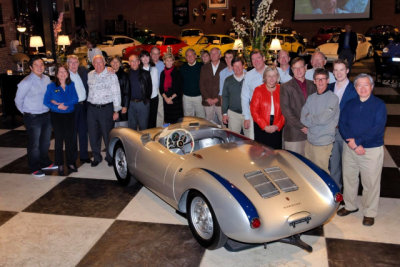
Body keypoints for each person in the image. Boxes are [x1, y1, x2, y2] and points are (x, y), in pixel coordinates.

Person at [337, 74, 386, 227]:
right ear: (355, 88)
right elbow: (342, 123)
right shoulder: (350, 104)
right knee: (349, 178)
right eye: (359, 85)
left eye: (366, 85)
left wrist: (358, 142)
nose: (363, 88)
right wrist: (350, 142)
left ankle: (369, 212)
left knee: (370, 183)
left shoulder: (379, 105)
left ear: (371, 87)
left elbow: (377, 128)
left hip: (370, 150)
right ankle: (350, 205)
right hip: (350, 148)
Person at [15, 57, 57, 178]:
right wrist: (27, 112)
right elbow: (18, 100)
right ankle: (34, 167)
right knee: (34, 144)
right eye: (36, 65)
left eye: (41, 64)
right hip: (33, 117)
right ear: (31, 68)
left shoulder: (47, 79)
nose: (40, 67)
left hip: (46, 115)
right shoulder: (26, 82)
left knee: (45, 142)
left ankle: (45, 162)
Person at [300, 68, 339, 173]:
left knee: (322, 174)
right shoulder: (311, 98)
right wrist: (314, 118)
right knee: (309, 172)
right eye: (318, 79)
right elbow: (303, 118)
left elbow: (323, 119)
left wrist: (310, 117)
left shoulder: (333, 98)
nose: (320, 82)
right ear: (314, 81)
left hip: (323, 143)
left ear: (328, 80)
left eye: (323, 79)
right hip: (310, 141)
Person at [43, 64, 79, 176]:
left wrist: (63, 104)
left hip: (69, 115)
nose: (62, 74)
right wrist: (57, 106)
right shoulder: (51, 86)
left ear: (67, 74)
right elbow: (46, 101)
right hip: (57, 116)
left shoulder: (71, 84)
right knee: (59, 141)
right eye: (60, 72)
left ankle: (71, 162)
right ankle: (59, 164)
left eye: (64, 72)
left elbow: (75, 99)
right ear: (56, 74)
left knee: (70, 140)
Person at [328, 59, 358, 189]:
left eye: (341, 70)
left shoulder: (354, 90)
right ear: (333, 72)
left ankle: (349, 198)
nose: (339, 73)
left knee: (348, 168)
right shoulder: (329, 88)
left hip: (347, 134)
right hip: (331, 134)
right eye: (336, 70)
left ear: (347, 71)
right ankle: (337, 194)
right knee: (333, 166)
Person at [87, 55, 121, 167]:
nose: (98, 65)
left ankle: (110, 157)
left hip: (106, 109)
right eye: (95, 63)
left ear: (104, 63)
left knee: (108, 135)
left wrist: (116, 110)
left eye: (100, 62)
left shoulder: (111, 74)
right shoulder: (90, 74)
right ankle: (96, 157)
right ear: (93, 64)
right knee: (93, 135)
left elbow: (116, 93)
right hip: (92, 109)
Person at [280, 57, 316, 156]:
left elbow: (316, 107)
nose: (298, 70)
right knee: (294, 166)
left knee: (310, 166)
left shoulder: (313, 85)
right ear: (292, 70)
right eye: (295, 68)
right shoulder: (285, 87)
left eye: (300, 67)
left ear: (305, 68)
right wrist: (302, 126)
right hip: (294, 135)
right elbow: (286, 111)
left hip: (311, 134)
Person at [250, 67, 285, 149]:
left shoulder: (282, 89)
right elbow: (254, 111)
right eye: (269, 76)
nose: (272, 78)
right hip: (261, 127)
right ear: (265, 77)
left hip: (277, 128)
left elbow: (286, 111)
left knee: (276, 154)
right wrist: (264, 126)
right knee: (261, 154)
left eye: (274, 76)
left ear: (277, 77)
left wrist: (277, 126)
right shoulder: (258, 90)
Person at [67, 55, 91, 164]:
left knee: (83, 131)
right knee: (72, 134)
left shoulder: (82, 72)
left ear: (78, 64)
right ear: (67, 64)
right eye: (71, 62)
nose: (73, 65)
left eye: (75, 62)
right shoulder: (65, 76)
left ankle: (84, 155)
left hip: (83, 106)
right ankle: (72, 158)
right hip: (72, 107)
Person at [241, 49, 267, 139]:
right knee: (255, 141)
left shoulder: (273, 71)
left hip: (271, 113)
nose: (256, 61)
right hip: (255, 113)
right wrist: (246, 117)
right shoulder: (248, 75)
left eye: (258, 58)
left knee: (270, 142)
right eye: (253, 59)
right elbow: (244, 97)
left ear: (264, 58)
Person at [200, 47, 226, 124]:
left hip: (220, 101)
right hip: (208, 102)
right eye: (211, 53)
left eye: (215, 53)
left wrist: (217, 99)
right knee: (208, 123)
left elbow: (225, 86)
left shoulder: (224, 67)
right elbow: (202, 85)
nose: (213, 55)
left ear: (220, 55)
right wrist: (207, 98)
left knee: (223, 123)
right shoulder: (204, 68)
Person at [127, 54, 152, 130]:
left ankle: (143, 142)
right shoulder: (126, 74)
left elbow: (149, 88)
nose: (134, 63)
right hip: (130, 104)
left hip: (143, 104)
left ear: (139, 62)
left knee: (143, 127)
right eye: (132, 61)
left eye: (136, 61)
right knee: (132, 127)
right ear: (129, 63)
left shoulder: (146, 74)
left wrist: (146, 100)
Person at [222, 57, 246, 134]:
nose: (237, 68)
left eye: (239, 65)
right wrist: (224, 113)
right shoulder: (228, 80)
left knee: (250, 139)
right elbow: (225, 97)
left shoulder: (249, 78)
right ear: (232, 67)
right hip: (233, 114)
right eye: (235, 66)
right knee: (233, 138)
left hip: (248, 114)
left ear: (243, 66)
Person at [180, 48, 205, 118]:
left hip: (199, 97)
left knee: (201, 117)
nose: (190, 57)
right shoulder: (182, 68)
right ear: (185, 58)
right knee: (188, 118)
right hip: (186, 97)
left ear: (195, 56)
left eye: (191, 55)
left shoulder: (201, 66)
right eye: (187, 56)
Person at [160, 53, 183, 123]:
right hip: (166, 101)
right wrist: (166, 98)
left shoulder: (177, 72)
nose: (169, 62)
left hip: (175, 101)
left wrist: (170, 98)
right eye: (167, 60)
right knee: (168, 123)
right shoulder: (162, 73)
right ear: (164, 61)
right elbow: (161, 88)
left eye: (171, 60)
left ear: (173, 61)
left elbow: (179, 89)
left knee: (177, 124)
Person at [140, 50, 159, 128]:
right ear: (140, 59)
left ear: (149, 57)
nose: (145, 58)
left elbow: (156, 84)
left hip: (154, 97)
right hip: (144, 99)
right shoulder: (139, 70)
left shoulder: (154, 69)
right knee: (144, 119)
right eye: (143, 57)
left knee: (153, 118)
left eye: (147, 56)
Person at [109, 56, 130, 127]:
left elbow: (127, 92)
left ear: (120, 63)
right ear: (110, 63)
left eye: (117, 62)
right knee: (111, 126)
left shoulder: (124, 75)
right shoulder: (107, 74)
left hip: (121, 104)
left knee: (122, 127)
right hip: (110, 105)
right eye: (113, 61)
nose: (115, 63)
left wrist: (125, 106)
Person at [150, 46, 165, 127]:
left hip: (159, 90)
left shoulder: (163, 64)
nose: (155, 56)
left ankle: (159, 128)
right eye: (153, 54)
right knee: (150, 110)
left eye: (157, 54)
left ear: (159, 54)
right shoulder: (146, 64)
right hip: (149, 91)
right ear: (150, 54)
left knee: (160, 110)